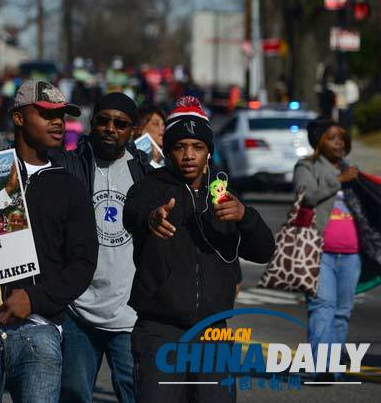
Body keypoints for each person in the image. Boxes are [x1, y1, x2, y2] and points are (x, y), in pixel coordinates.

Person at [0, 80, 98, 403]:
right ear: (18, 118)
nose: (58, 122)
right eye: (47, 114)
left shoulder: (70, 187)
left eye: (62, 115)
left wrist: (35, 299)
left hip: (39, 330)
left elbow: (83, 264)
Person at [123, 97, 275, 403]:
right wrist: (152, 218)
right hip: (161, 331)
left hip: (213, 334)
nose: (188, 155)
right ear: (168, 151)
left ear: (208, 152)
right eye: (180, 147)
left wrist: (245, 217)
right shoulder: (149, 188)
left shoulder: (224, 196)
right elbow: (134, 213)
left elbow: (264, 251)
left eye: (197, 147)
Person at [50, 93, 152, 403]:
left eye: (120, 124)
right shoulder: (68, 165)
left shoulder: (145, 175)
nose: (110, 128)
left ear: (132, 130)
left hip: (129, 316)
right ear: (91, 124)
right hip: (77, 313)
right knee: (74, 397)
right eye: (103, 121)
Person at [293, 118, 364, 380]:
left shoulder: (353, 171)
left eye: (342, 138)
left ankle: (331, 369)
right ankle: (320, 366)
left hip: (351, 254)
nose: (339, 142)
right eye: (332, 138)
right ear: (320, 142)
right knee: (322, 306)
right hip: (318, 250)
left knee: (342, 313)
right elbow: (306, 195)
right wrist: (339, 180)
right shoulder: (307, 166)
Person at [136, 104, 166, 168]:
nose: (162, 128)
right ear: (140, 128)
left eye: (163, 124)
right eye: (155, 124)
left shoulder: (169, 155)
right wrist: (154, 161)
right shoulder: (130, 155)